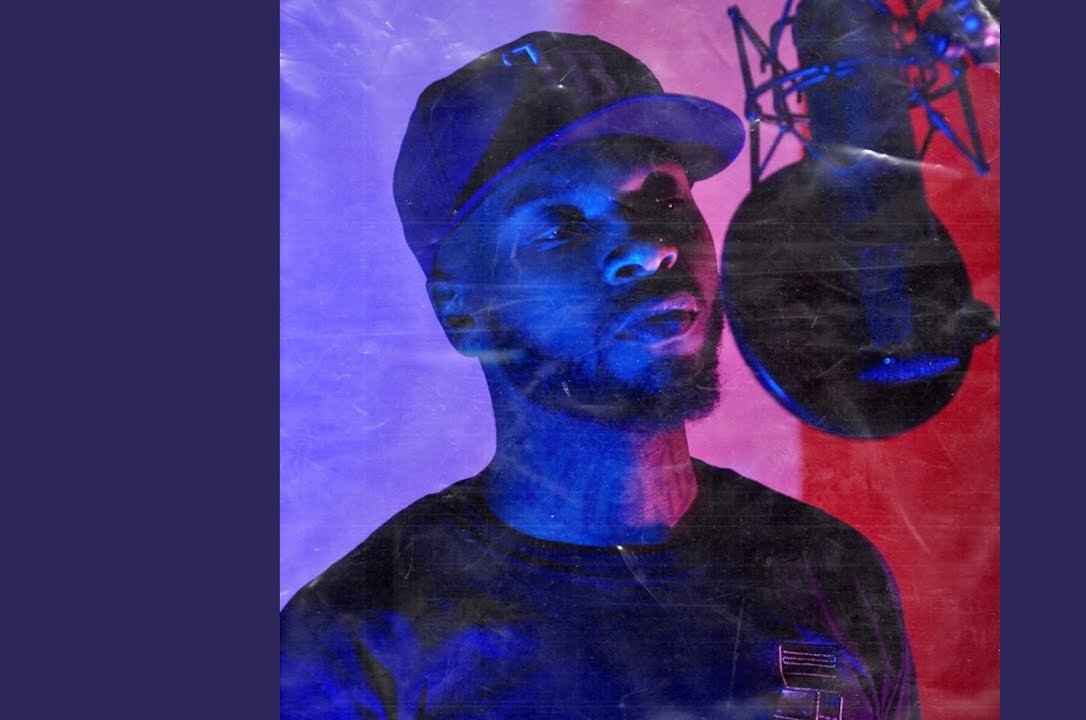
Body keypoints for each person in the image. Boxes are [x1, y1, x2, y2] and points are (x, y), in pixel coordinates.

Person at [280, 31, 920, 720]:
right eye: (561, 227)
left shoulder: (832, 571)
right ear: (462, 313)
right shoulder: (352, 645)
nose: (649, 248)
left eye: (664, 198)